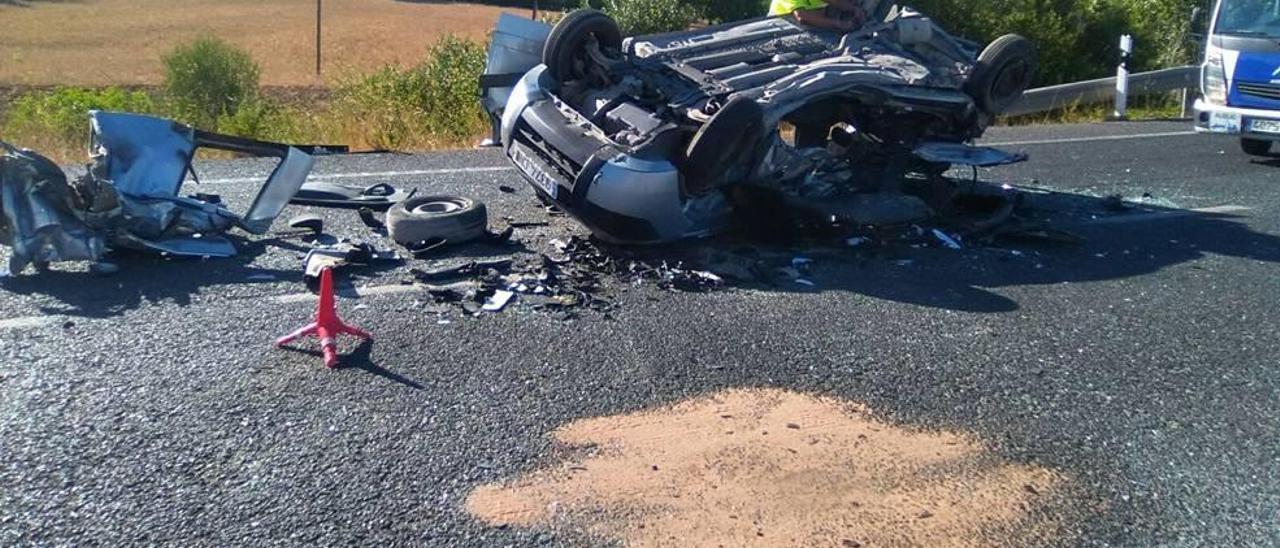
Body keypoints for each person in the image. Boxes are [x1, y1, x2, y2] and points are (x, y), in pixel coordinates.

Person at [768, 0, 867, 32]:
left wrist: (854, 9)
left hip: (814, 28)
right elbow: (803, 17)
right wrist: (840, 24)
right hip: (782, 30)